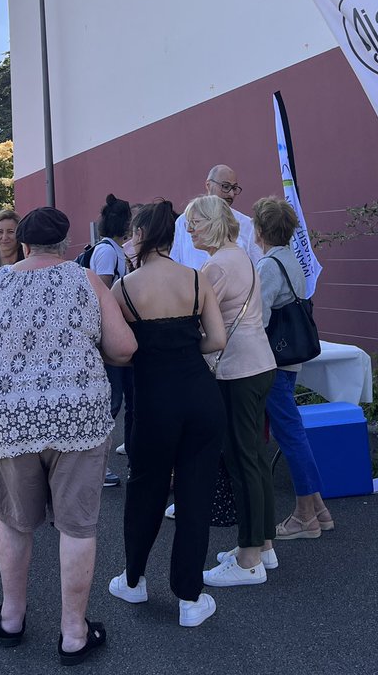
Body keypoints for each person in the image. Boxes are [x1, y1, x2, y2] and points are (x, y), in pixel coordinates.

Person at [0, 207, 137, 662]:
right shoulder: (86, 279)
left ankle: (11, 618)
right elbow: (124, 347)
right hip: (78, 415)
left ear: (25, 244)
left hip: (13, 415)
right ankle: (73, 633)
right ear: (65, 243)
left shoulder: (1, 281)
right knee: (76, 525)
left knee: (13, 519)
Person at [108, 201, 226, 627]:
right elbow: (217, 339)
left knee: (145, 491)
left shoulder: (123, 288)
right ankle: (190, 600)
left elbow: (118, 352)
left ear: (139, 235)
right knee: (195, 496)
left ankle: (134, 580)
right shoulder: (196, 279)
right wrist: (182, 351)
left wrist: (151, 355)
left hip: (155, 401)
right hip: (200, 394)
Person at [184, 196, 278, 588]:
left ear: (211, 224)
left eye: (194, 223)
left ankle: (249, 557)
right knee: (253, 458)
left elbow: (195, 315)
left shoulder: (217, 265)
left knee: (242, 462)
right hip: (256, 364)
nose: (189, 231)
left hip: (237, 370)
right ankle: (263, 546)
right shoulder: (238, 255)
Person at [254, 197, 334, 539]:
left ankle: (305, 518)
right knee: (293, 432)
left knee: (291, 436)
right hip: (291, 359)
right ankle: (318, 510)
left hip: (273, 361)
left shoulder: (269, 266)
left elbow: (258, 319)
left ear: (259, 231)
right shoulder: (292, 260)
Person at [88, 193, 134, 486]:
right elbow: (100, 295)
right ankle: (95, 466)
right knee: (111, 402)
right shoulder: (107, 252)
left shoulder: (115, 249)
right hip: (108, 338)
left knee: (119, 401)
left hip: (116, 335)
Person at [170, 164, 263, 269]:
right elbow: (175, 263)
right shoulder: (183, 222)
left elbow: (257, 266)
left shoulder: (246, 224)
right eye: (225, 187)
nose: (231, 194)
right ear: (208, 185)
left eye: (234, 188)